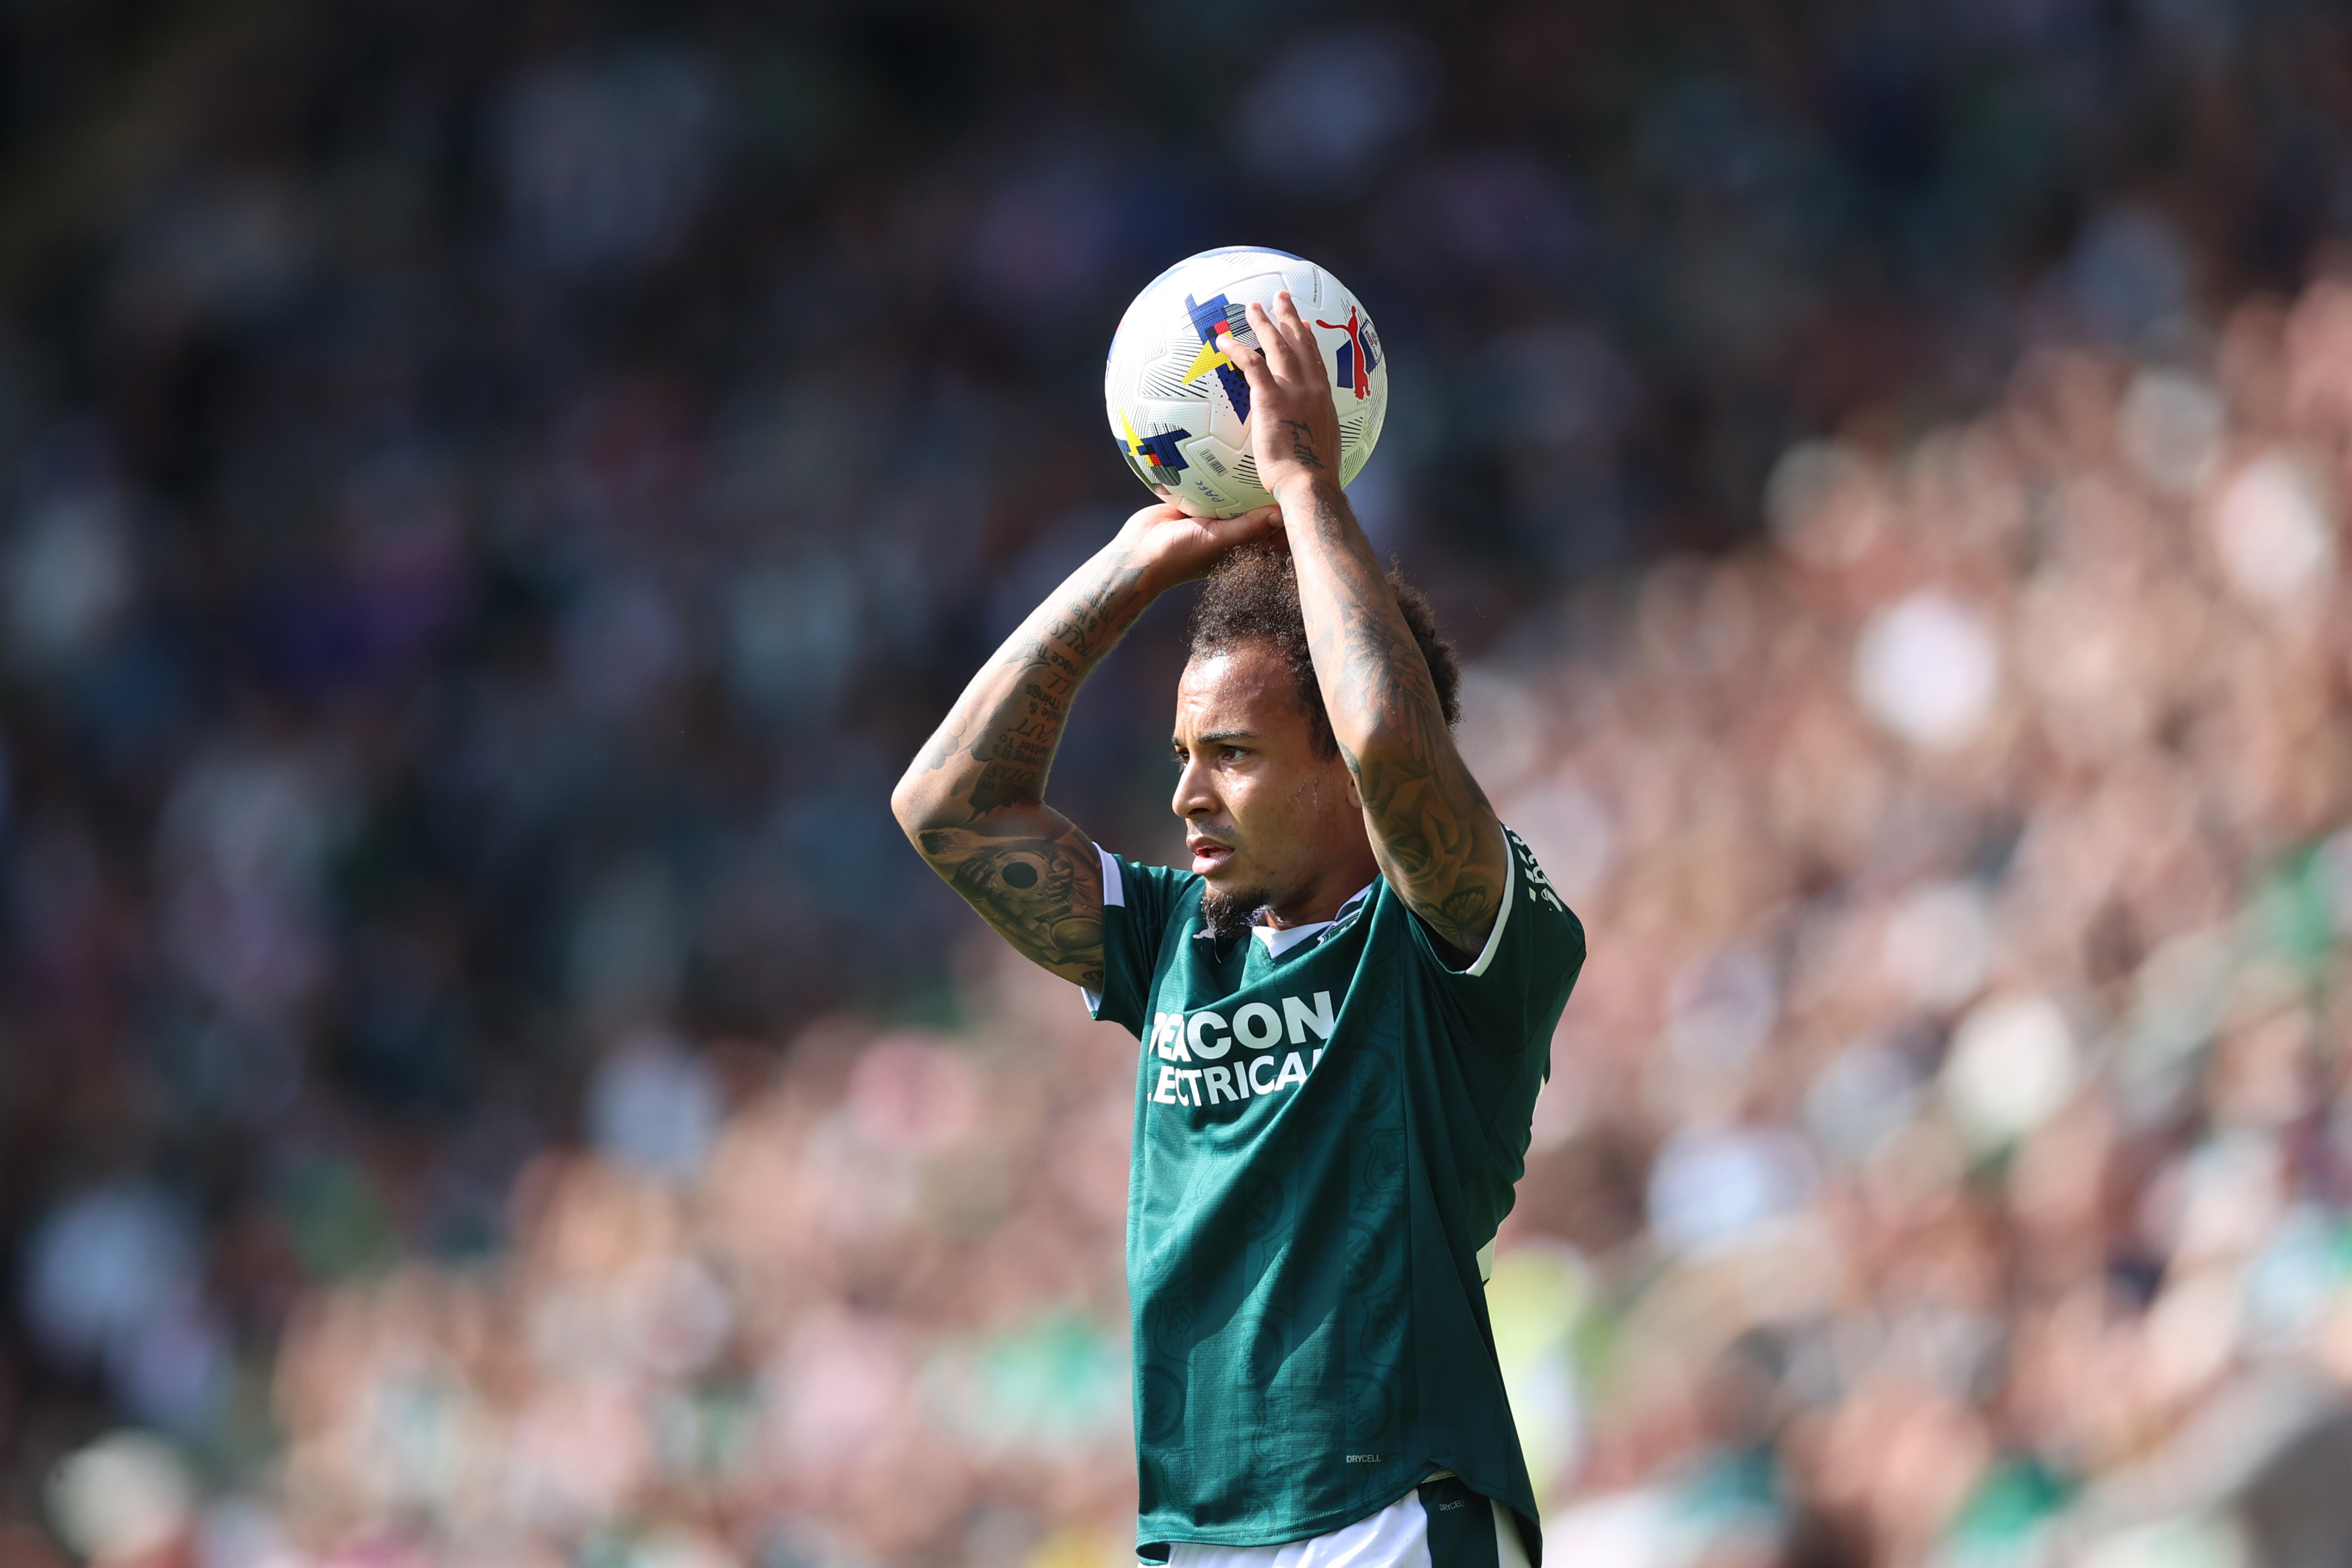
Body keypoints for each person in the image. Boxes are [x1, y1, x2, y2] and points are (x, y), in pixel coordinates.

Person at [891, 291, 1585, 1568]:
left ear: (1343, 775)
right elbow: (947, 807)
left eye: (1235, 754)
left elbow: (1394, 743)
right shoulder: (1175, 945)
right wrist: (1127, 573)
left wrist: (1308, 488)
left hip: (1394, 1513)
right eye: (1182, 754)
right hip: (1197, 1534)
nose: (1186, 795)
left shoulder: (1454, 945)